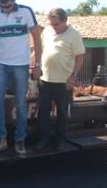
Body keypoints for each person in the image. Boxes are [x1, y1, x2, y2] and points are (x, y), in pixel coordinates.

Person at [0, 0, 42, 157]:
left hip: (21, 65)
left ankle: (20, 141)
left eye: (8, 6)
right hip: (1, 65)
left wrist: (37, 64)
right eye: (2, 7)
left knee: (20, 103)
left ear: (14, 0)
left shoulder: (26, 12)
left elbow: (37, 38)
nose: (5, 9)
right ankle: (2, 140)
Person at [36, 8, 85, 151]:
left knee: (63, 113)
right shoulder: (47, 32)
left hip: (64, 82)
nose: (53, 26)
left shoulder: (74, 35)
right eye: (51, 23)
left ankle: (60, 140)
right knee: (43, 112)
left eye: (56, 24)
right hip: (45, 79)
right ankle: (43, 140)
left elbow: (80, 57)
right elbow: (39, 50)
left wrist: (73, 76)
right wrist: (35, 65)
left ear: (65, 21)